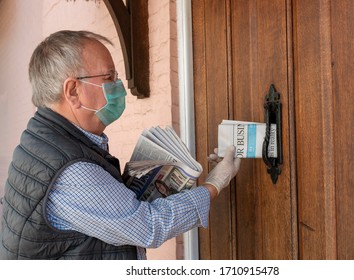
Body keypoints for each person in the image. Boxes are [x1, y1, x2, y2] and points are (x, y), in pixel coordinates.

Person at [0, 30, 240, 260]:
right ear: (73, 91)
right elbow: (148, 226)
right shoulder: (69, 170)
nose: (119, 86)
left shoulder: (44, 139)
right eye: (109, 77)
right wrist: (214, 185)